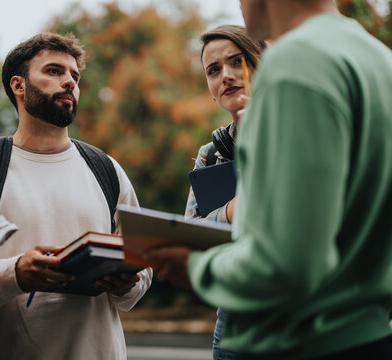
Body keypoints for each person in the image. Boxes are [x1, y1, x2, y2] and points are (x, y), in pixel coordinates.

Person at [149, 0, 392, 359]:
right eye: (212, 70)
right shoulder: (379, 58)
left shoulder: (296, 63)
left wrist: (197, 270)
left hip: (303, 338)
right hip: (369, 333)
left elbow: (291, 263)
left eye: (237, 61)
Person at [0, 32, 152, 360]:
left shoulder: (108, 169)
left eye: (74, 76)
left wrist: (128, 283)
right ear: (18, 86)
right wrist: (16, 274)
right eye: (54, 71)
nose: (69, 83)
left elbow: (142, 268)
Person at [184, 25, 265, 360]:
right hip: (233, 322)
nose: (227, 76)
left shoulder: (298, 132)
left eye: (238, 61)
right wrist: (231, 212)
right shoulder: (211, 153)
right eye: (214, 70)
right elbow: (191, 235)